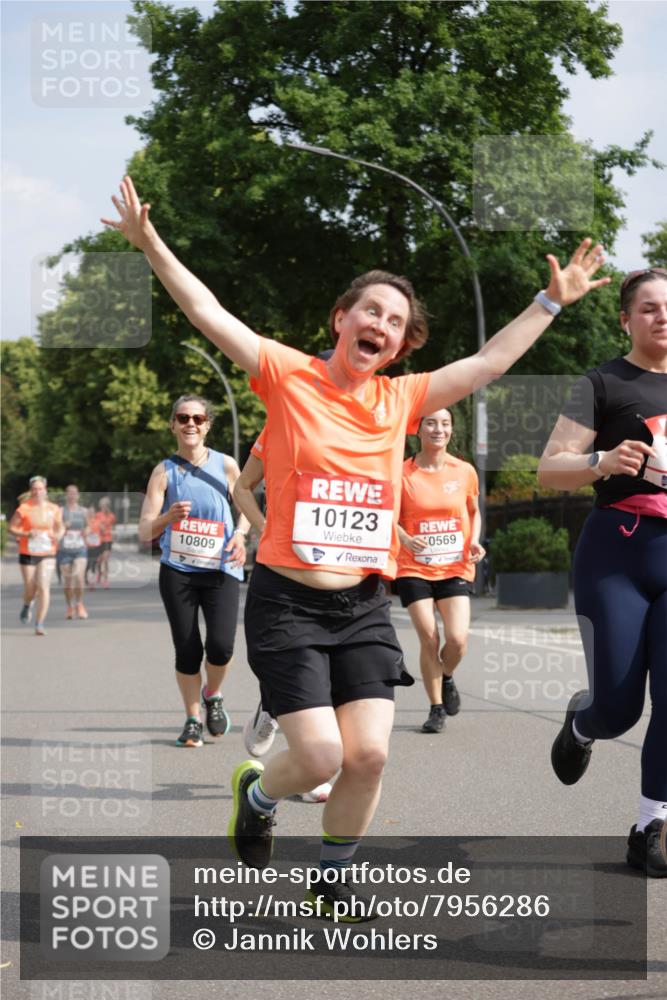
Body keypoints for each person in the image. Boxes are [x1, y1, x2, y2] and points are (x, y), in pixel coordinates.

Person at [103, 174, 609, 919]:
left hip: (364, 603)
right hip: (286, 603)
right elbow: (207, 311)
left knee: (369, 754)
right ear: (340, 320)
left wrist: (548, 302)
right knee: (319, 757)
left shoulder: (399, 399)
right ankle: (257, 791)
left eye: (395, 321)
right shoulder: (287, 375)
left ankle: (332, 876)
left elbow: (488, 365)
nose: (380, 322)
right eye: (368, 309)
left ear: (400, 345)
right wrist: (150, 244)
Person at [538, 266, 667, 877]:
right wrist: (602, 459)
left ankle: (650, 824)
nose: (662, 316)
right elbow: (549, 469)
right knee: (620, 709)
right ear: (625, 319)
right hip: (617, 553)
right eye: (648, 308)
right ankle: (584, 723)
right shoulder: (604, 383)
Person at [138, 394, 250, 748]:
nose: (190, 424)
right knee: (187, 649)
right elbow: (144, 530)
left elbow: (247, 502)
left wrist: (242, 534)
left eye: (198, 419)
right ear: (172, 424)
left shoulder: (227, 464)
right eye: (183, 418)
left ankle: (212, 694)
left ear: (207, 425)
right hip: (179, 571)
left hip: (221, 568)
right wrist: (167, 518)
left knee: (221, 646)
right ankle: (191, 718)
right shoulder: (164, 471)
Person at [235, 429, 332, 804]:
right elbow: (243, 487)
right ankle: (310, 770)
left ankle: (271, 710)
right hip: (284, 571)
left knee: (329, 674)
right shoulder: (281, 422)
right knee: (301, 669)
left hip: (341, 573)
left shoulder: (366, 422)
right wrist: (265, 530)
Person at [396, 409, 485, 733]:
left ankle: (446, 675)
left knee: (458, 639)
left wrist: (473, 540)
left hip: (454, 565)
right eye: (431, 423)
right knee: (429, 637)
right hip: (412, 567)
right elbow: (387, 516)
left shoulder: (463, 471)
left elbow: (473, 512)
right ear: (417, 429)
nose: (439, 429)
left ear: (451, 430)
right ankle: (435, 708)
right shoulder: (402, 473)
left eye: (445, 424)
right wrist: (404, 537)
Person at [9, 476, 63, 636]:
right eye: (34, 489)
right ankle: (27, 604)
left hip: (47, 552)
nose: (37, 492)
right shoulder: (24, 508)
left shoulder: (54, 509)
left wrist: (58, 535)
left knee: (43, 586)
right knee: (30, 588)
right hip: (28, 552)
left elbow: (61, 528)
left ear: (45, 490)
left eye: (40, 489)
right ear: (31, 491)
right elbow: (12, 528)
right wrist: (26, 533)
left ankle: (39, 623)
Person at [59, 484, 90, 620]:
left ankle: (79, 604)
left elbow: (89, 526)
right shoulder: (60, 511)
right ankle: (69, 606)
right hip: (65, 550)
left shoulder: (83, 511)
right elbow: (55, 528)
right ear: (66, 495)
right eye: (69, 493)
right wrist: (62, 527)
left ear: (78, 495)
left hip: (80, 548)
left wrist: (86, 531)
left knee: (79, 577)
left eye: (74, 493)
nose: (72, 495)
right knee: (67, 581)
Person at [91, 496, 116, 589]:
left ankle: (105, 579)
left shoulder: (112, 516)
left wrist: (112, 532)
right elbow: (95, 525)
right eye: (103, 505)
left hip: (108, 540)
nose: (104, 507)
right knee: (99, 560)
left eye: (106, 505)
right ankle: (99, 574)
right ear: (100, 506)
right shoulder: (98, 515)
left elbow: (112, 527)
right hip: (98, 540)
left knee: (105, 559)